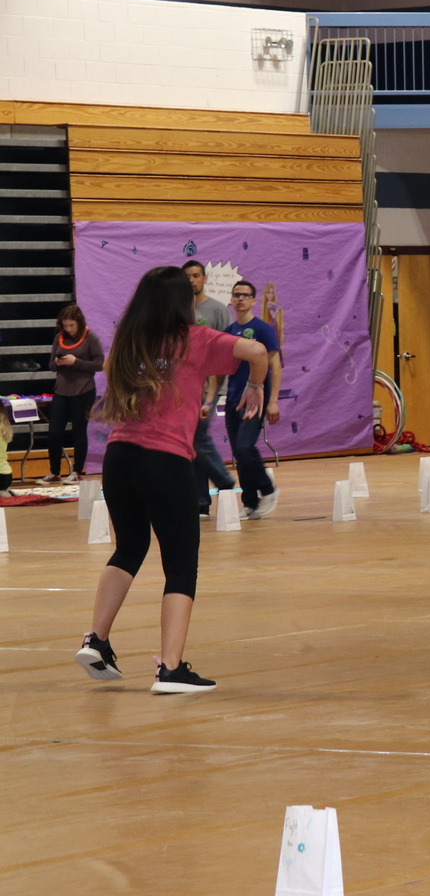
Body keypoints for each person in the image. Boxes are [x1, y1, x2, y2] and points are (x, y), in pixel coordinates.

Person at [75, 265, 268, 693]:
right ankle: (171, 669)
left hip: (119, 458)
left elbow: (112, 371)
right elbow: (256, 352)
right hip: (165, 462)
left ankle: (97, 639)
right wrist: (256, 387)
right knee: (180, 566)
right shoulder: (195, 339)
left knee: (129, 547)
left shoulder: (128, 340)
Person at [223, 281, 283, 519]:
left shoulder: (263, 329)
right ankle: (250, 502)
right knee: (238, 453)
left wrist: (273, 401)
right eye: (236, 295)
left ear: (253, 301)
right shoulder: (228, 332)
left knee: (245, 447)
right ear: (232, 300)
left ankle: (268, 489)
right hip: (233, 398)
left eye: (245, 295)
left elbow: (275, 366)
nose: (240, 299)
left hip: (256, 399)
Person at [182, 260, 235, 508]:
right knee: (190, 441)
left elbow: (226, 349)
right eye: (187, 277)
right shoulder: (179, 311)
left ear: (205, 278)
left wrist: (214, 385)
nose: (191, 280)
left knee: (198, 435)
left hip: (209, 387)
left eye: (196, 275)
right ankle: (200, 500)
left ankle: (224, 480)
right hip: (185, 385)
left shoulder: (216, 310)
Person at [45, 304, 104, 484]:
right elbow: (50, 365)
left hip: (83, 389)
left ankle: (77, 471)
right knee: (54, 432)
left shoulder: (90, 337)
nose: (68, 329)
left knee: (79, 431)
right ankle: (55, 472)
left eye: (71, 325)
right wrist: (58, 362)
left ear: (79, 323)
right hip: (62, 390)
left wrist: (75, 362)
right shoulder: (59, 338)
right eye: (65, 325)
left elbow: (100, 363)